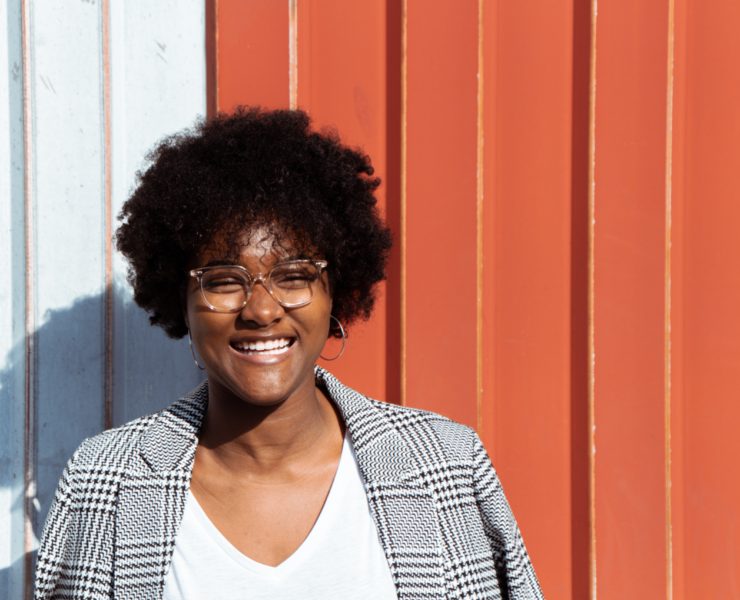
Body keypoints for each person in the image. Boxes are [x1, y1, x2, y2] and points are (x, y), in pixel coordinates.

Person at [34, 108, 543, 599]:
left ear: (335, 293)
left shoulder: (446, 466)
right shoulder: (106, 480)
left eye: (294, 276)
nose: (261, 310)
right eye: (224, 281)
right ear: (181, 302)